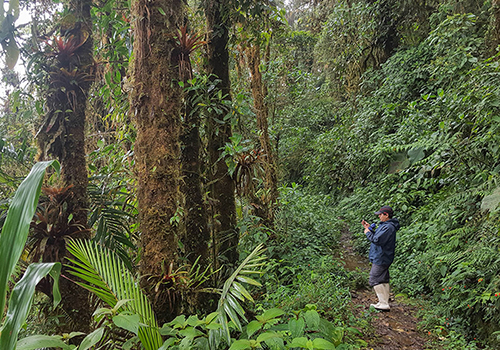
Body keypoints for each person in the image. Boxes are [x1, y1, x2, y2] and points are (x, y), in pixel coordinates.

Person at [361, 205, 400, 311]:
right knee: (383, 279)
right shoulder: (386, 225)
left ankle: (383, 303)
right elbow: (378, 238)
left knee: (374, 279)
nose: (379, 217)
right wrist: (369, 229)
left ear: (386, 215)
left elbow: (377, 241)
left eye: (380, 215)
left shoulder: (388, 227)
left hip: (381, 257)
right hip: (383, 256)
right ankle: (384, 302)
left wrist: (368, 233)